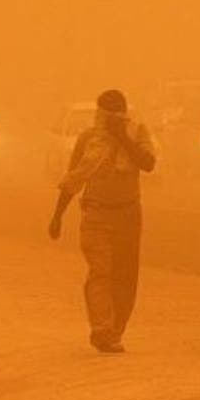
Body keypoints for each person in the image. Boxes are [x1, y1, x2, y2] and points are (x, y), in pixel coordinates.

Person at [48, 89, 157, 353]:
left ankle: (115, 330)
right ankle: (101, 327)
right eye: (106, 112)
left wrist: (122, 138)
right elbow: (74, 177)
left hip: (128, 215)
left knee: (125, 276)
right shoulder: (88, 139)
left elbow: (148, 163)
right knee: (100, 271)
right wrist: (58, 215)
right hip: (96, 213)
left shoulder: (137, 133)